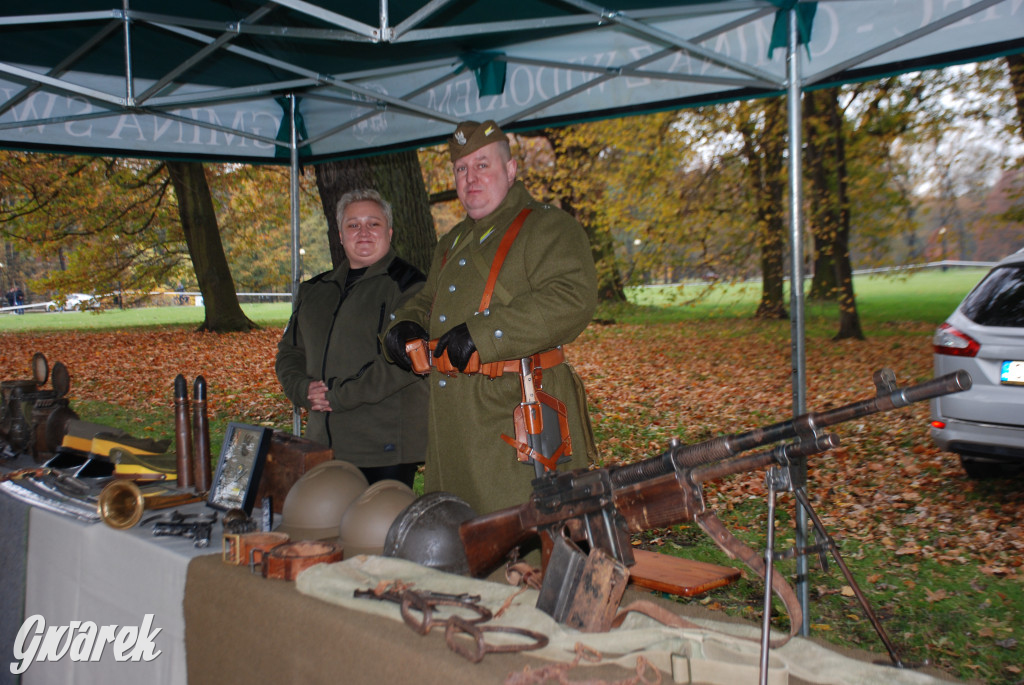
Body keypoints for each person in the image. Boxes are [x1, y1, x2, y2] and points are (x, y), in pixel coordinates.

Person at [383, 120, 599, 516]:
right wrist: (404, 325)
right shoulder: (452, 242)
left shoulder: (547, 226)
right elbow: (428, 299)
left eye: (483, 165)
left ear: (512, 169)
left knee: (525, 538)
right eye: (461, 169)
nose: (470, 178)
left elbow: (572, 298)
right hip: (455, 420)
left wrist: (484, 334)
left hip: (516, 413)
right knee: (460, 532)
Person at [276, 189, 428, 488]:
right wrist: (302, 389)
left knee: (374, 532)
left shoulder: (411, 288)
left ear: (389, 231)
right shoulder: (315, 290)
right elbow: (289, 352)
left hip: (384, 449)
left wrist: (337, 395)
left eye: (373, 224)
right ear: (340, 235)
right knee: (322, 529)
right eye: (353, 225)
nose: (364, 232)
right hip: (322, 444)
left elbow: (405, 362)